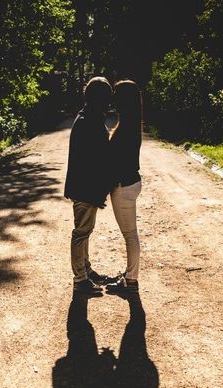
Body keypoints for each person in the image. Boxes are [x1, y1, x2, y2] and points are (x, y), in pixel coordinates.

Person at [65, 77, 117, 296]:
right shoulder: (89, 120)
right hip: (84, 187)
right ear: (99, 98)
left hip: (83, 185)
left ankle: (86, 271)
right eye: (106, 97)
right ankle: (80, 280)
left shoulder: (88, 116)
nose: (109, 102)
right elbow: (96, 158)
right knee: (81, 232)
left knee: (85, 231)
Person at [104, 80, 143, 297]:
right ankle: (130, 277)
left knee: (130, 235)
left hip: (124, 185)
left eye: (116, 95)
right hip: (131, 182)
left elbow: (115, 161)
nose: (113, 98)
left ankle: (131, 281)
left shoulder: (125, 128)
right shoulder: (131, 122)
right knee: (131, 234)